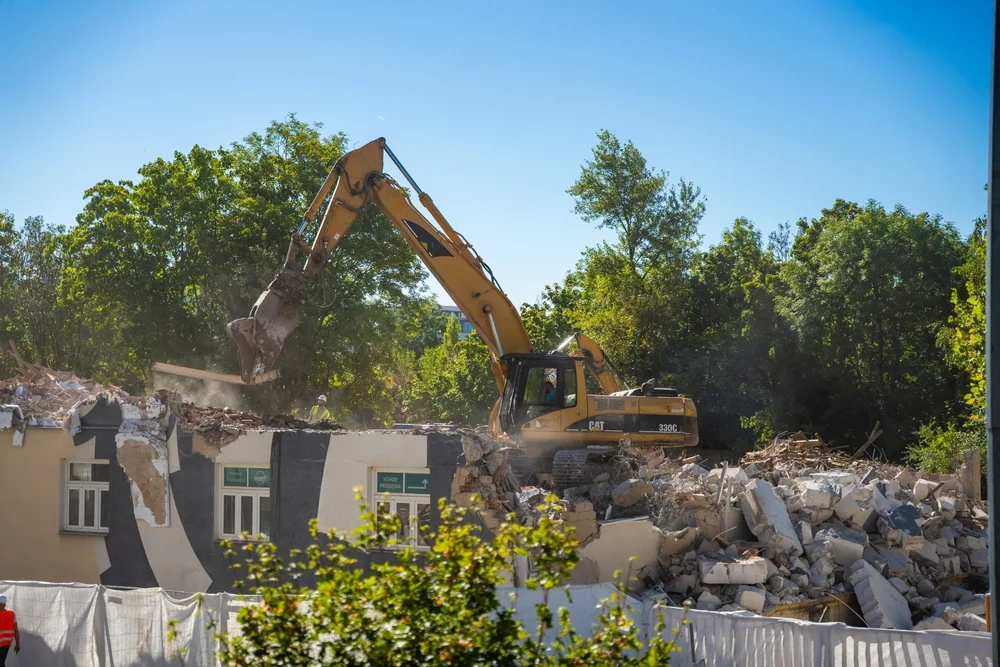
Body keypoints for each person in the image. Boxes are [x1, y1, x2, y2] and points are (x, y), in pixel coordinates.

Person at [0, 595, 20, 664]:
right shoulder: (11, 614)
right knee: (1, 662)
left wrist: (17, 643)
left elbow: (16, 630)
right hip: (6, 643)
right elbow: (16, 630)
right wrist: (17, 644)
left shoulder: (11, 614)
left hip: (4, 644)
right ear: (5, 604)